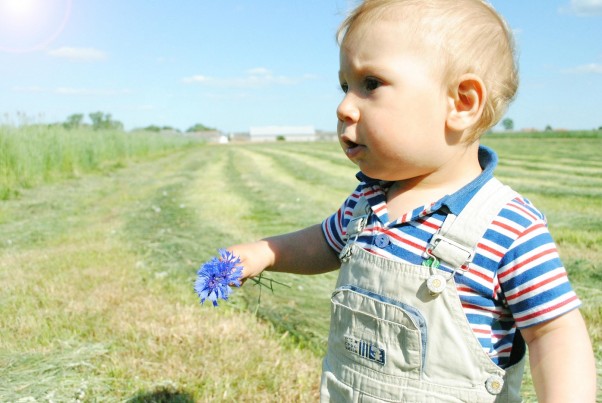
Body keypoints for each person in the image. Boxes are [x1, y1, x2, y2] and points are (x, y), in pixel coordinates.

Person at [228, 0, 596, 401]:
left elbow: (554, 333)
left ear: (461, 103)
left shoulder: (507, 227)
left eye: (371, 84)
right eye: (345, 86)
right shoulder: (367, 201)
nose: (344, 106)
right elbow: (325, 243)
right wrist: (265, 252)